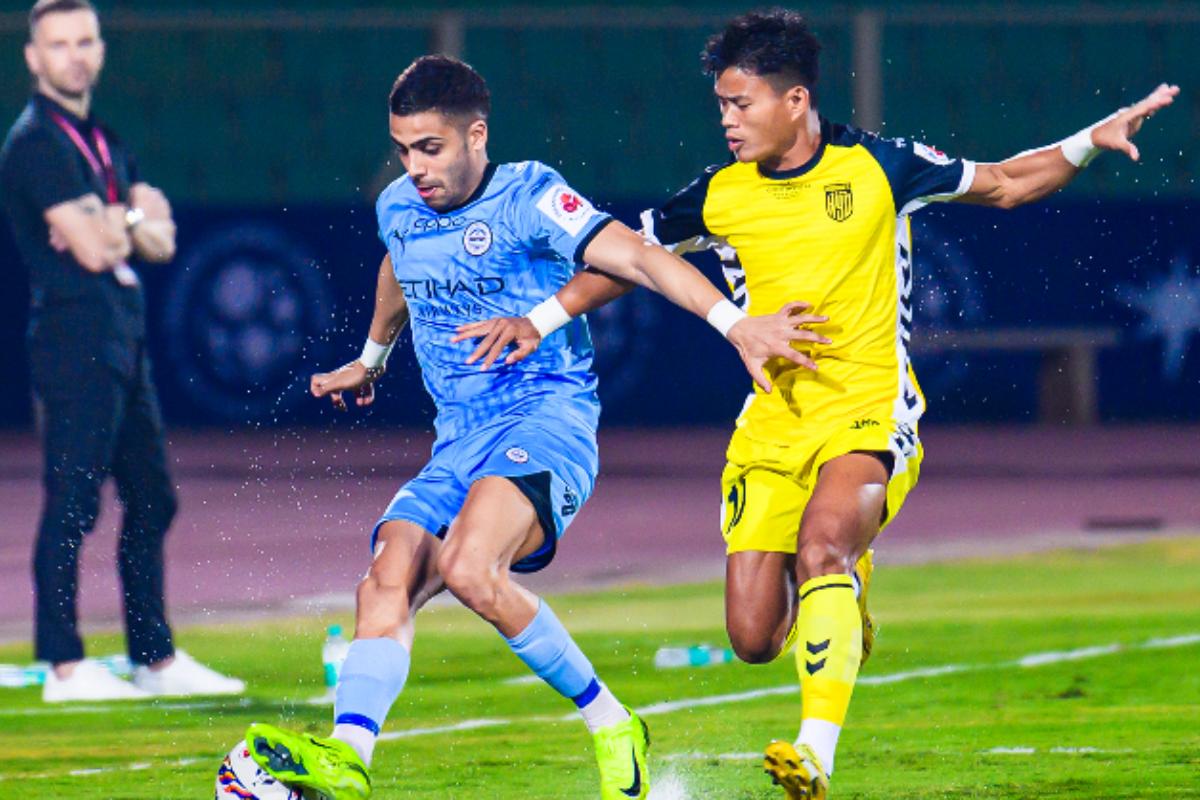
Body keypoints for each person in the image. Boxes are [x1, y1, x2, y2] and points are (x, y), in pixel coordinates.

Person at [461, 10, 1179, 798]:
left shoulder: (881, 167)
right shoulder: (720, 196)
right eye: (722, 107)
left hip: (870, 409)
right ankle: (846, 600)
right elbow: (626, 258)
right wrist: (539, 319)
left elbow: (1007, 184)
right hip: (774, 426)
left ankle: (814, 750)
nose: (727, 121)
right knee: (754, 637)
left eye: (742, 104)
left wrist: (1088, 140)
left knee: (824, 549)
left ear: (795, 100)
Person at [243, 55, 820, 800]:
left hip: (546, 419)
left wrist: (734, 324)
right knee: (384, 580)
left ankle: (614, 724)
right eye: (403, 149)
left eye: (431, 148)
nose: (414, 167)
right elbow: (398, 265)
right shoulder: (399, 203)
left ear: (475, 135)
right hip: (459, 437)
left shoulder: (531, 197)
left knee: (469, 568)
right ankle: (349, 758)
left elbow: (641, 259)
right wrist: (372, 357)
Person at [0, 0, 244, 702]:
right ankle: (64, 665)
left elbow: (157, 238)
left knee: (153, 496)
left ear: (100, 49)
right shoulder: (35, 144)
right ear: (33, 58)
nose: (74, 54)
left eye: (85, 41)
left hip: (122, 335)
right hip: (73, 338)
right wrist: (124, 220)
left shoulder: (101, 139)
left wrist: (120, 220)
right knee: (73, 500)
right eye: (59, 43)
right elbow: (95, 244)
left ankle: (153, 657)